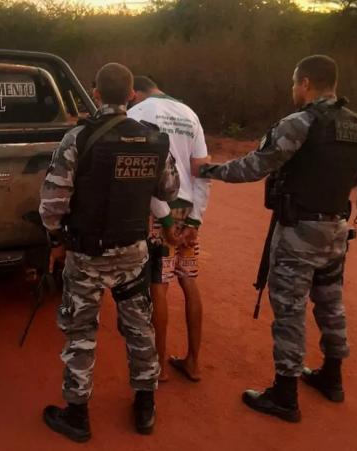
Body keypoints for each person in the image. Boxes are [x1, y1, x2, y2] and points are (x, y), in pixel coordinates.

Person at [195, 55, 357, 422]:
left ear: (305, 83)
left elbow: (255, 166)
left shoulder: (300, 123)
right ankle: (332, 378)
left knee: (289, 309)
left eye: (295, 83)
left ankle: (286, 395)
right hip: (336, 229)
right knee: (330, 302)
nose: (294, 90)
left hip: (299, 230)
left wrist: (209, 171)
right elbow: (356, 174)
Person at [39, 63, 180, 442]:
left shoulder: (79, 139)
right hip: (134, 254)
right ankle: (145, 407)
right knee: (139, 330)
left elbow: (52, 204)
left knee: (81, 332)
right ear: (132, 95)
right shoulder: (154, 139)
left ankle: (78, 415)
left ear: (96, 94)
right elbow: (169, 190)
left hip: (87, 257)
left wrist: (56, 240)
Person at [128, 76, 211, 382]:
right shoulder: (190, 114)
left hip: (158, 210)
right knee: (189, 280)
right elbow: (203, 172)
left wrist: (163, 219)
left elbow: (143, 171)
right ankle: (193, 362)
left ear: (134, 93)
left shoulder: (137, 114)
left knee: (158, 285)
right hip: (188, 209)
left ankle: (159, 365)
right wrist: (195, 220)